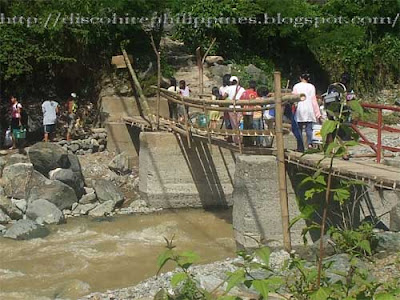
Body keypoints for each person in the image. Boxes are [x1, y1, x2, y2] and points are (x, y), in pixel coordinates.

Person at [292, 73, 321, 152]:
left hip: (300, 109)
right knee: (309, 129)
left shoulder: (296, 86)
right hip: (309, 109)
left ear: (300, 78)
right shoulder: (311, 87)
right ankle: (309, 144)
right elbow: (313, 100)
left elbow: (294, 99)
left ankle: (300, 146)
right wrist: (317, 113)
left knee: (299, 129)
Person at [223, 76, 245, 144]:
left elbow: (224, 96)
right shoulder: (242, 89)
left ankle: (235, 139)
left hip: (231, 107)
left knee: (234, 124)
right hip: (240, 107)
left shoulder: (228, 88)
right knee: (239, 123)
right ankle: (240, 139)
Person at [240, 80, 258, 146]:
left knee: (245, 126)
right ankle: (251, 141)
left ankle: (245, 141)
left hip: (245, 111)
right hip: (252, 112)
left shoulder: (245, 92)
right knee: (251, 127)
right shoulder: (255, 93)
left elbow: (240, 100)